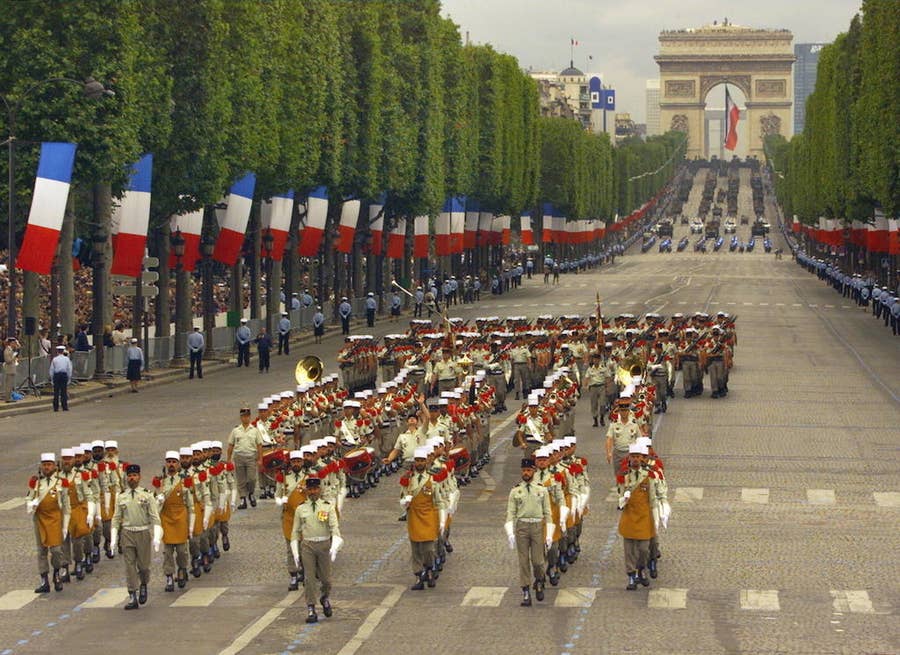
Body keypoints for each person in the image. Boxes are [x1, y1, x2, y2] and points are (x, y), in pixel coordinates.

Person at [617, 442, 669, 590]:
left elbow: (653, 497)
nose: (635, 459)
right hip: (629, 515)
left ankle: (642, 568)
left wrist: (658, 514)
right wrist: (623, 498)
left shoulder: (650, 475)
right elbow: (619, 495)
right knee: (629, 550)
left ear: (642, 458)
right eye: (632, 456)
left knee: (644, 549)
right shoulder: (624, 475)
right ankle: (631, 576)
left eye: (637, 456)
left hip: (645, 515)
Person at [290, 476, 343, 624]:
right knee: (309, 579)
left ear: (319, 490)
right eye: (310, 489)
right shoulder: (301, 508)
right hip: (308, 546)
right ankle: (311, 607)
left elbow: (335, 528)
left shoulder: (327, 506)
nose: (313, 492)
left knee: (326, 580)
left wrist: (335, 546)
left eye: (315, 489)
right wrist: (295, 552)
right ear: (307, 491)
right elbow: (295, 531)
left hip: (324, 544)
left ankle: (324, 597)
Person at [111, 463, 162, 609]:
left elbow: (155, 517)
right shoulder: (121, 497)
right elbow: (116, 518)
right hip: (127, 533)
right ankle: (132, 594)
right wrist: (113, 539)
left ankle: (144, 583)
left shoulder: (147, 495)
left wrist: (157, 537)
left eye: (134, 475)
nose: (131, 478)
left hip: (143, 533)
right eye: (129, 476)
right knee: (129, 566)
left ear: (139, 477)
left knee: (144, 566)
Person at [504, 457, 552, 607]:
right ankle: (525, 591)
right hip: (522, 527)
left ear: (534, 471)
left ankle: (539, 580)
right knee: (523, 561)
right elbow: (510, 513)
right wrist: (510, 532)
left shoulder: (542, 490)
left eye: (529, 470)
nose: (526, 473)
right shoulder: (515, 491)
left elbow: (548, 512)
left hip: (537, 526)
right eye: (524, 470)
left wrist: (549, 534)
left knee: (538, 561)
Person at [400, 447, 446, 591]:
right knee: (416, 550)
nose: (419, 463)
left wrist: (442, 520)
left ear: (426, 462)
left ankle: (430, 570)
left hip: (429, 516)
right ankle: (419, 575)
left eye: (422, 461)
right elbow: (402, 496)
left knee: (428, 549)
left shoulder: (432, 479)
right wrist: (404, 502)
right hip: (414, 515)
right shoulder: (408, 478)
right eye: (417, 461)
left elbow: (439, 501)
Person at [27, 452, 71, 593]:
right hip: (40, 519)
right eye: (44, 465)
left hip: (55, 519)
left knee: (57, 551)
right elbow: (29, 498)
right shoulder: (36, 482)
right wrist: (31, 504)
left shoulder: (61, 482)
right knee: (41, 551)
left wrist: (65, 526)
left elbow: (66, 505)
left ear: (54, 466)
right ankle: (44, 580)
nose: (46, 467)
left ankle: (56, 573)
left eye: (49, 465)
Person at [155, 451, 193, 592]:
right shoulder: (161, 482)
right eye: (169, 461)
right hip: (166, 518)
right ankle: (169, 576)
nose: (171, 464)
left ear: (178, 465)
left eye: (174, 462)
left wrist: (191, 523)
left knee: (182, 551)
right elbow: (156, 504)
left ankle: (182, 569)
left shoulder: (184, 482)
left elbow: (190, 505)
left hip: (181, 518)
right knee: (168, 551)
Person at [226, 407, 264, 509]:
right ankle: (243, 499)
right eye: (243, 416)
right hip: (239, 456)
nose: (245, 418)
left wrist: (260, 459)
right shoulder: (236, 430)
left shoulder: (255, 430)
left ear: (250, 417)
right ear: (240, 417)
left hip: (251, 456)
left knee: (251, 478)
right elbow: (231, 445)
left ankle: (251, 493)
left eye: (247, 416)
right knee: (241, 479)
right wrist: (228, 459)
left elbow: (259, 445)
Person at [49, 345, 73, 411]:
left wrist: (51, 378)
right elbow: (69, 369)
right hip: (64, 375)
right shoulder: (66, 359)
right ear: (63, 351)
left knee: (56, 392)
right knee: (64, 391)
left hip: (57, 375)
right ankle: (64, 406)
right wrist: (69, 377)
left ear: (57, 351)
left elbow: (52, 369)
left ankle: (56, 407)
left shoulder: (55, 359)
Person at [3, 336, 18, 402]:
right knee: (8, 385)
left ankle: (10, 397)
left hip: (12, 369)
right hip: (9, 370)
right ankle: (7, 398)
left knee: (11, 385)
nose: (14, 344)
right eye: (13, 343)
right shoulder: (7, 350)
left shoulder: (11, 350)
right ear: (10, 343)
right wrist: (13, 357)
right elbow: (7, 360)